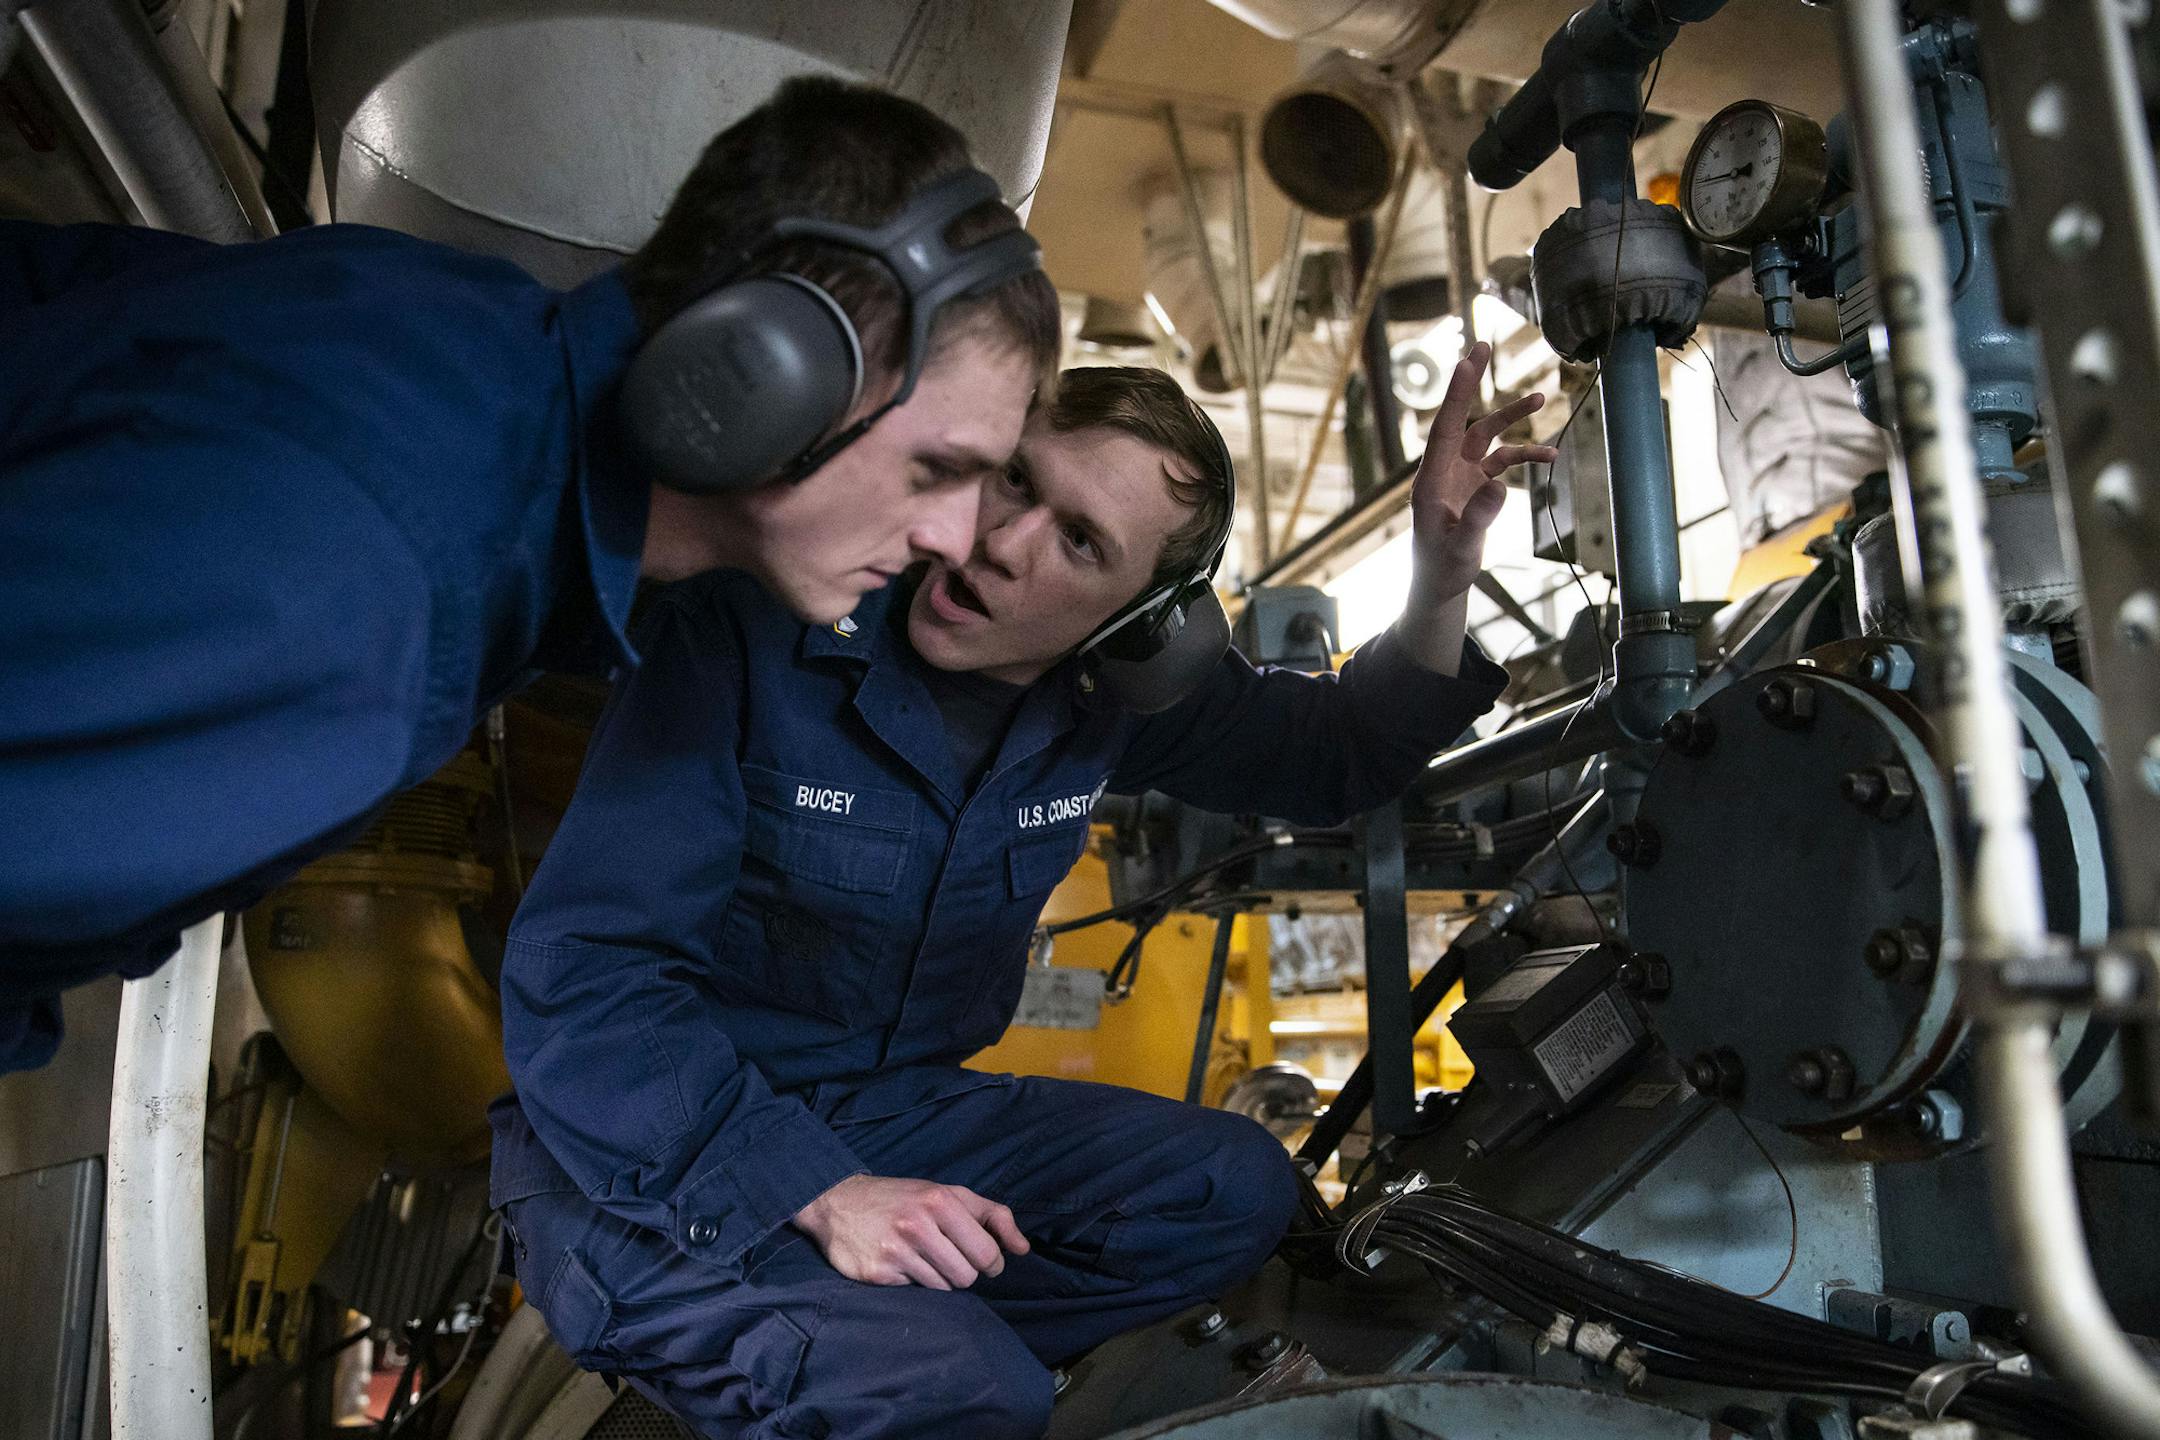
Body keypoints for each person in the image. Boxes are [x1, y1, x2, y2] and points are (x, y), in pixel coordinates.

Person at [491, 344, 1555, 1439]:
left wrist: (1441, 566)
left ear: (1137, 624)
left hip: (893, 1121)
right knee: (963, 1393)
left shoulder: (1106, 698)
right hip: (634, 1158)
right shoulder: (759, 623)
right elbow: (586, 978)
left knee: (1234, 1189)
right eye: (1017, 482)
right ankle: (879, 1375)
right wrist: (822, 1194)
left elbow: (1337, 753)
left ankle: (860, 1365)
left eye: (1081, 542)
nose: (1003, 545)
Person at [0, 77, 1060, 1072]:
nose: (958, 540)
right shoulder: (367, 593)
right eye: (938, 469)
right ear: (762, 374)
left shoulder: (448, 334)